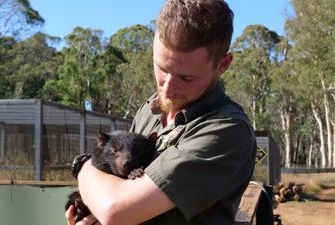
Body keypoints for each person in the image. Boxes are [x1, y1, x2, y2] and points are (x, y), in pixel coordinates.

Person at [65, 0, 256, 224]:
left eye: (186, 78)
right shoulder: (150, 112)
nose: (168, 90)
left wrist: (84, 167)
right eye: (162, 68)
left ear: (223, 65)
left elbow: (115, 210)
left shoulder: (226, 129)